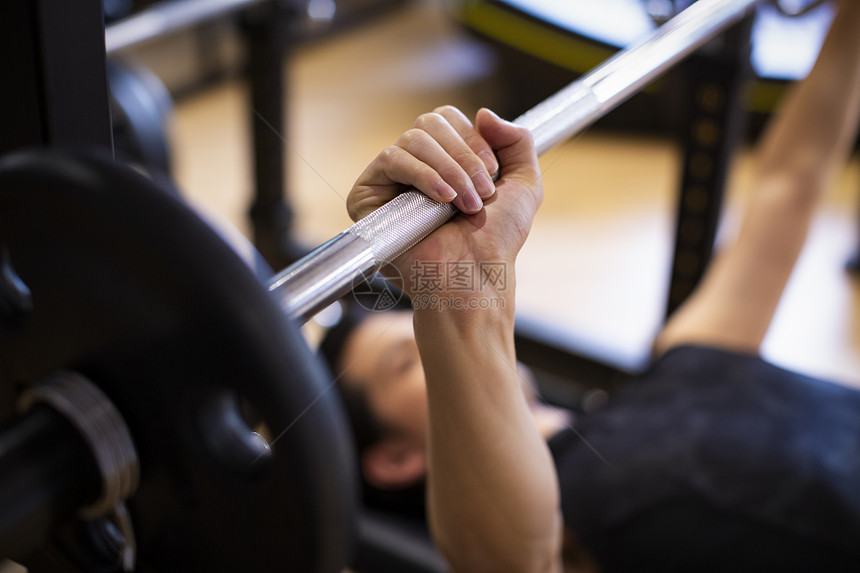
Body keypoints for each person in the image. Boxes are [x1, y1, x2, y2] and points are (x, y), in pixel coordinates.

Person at [324, 2, 860, 571]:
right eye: (409, 360)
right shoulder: (562, 538)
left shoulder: (685, 354)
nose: (430, 342)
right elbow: (509, 560)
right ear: (396, 459)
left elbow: (792, 179)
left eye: (420, 332)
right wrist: (454, 296)